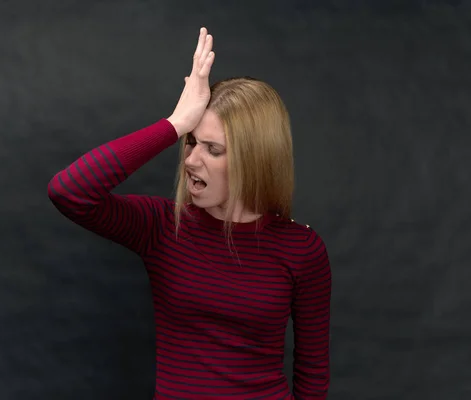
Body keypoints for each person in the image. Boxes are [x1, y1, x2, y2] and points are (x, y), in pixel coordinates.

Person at [48, 27, 331, 400]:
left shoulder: (302, 249)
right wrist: (175, 123)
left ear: (255, 160)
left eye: (213, 149)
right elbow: (69, 191)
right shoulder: (163, 227)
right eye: (191, 143)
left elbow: (312, 376)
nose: (191, 160)